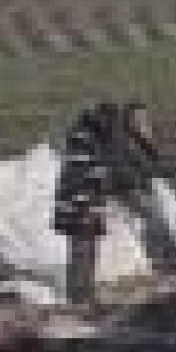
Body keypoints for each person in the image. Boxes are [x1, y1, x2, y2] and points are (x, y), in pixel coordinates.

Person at [53, 104, 112, 305]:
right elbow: (78, 179)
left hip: (89, 205)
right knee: (81, 250)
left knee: (89, 250)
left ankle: (86, 292)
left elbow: (97, 176)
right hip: (78, 206)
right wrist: (87, 205)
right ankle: (77, 296)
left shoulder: (94, 142)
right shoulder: (83, 143)